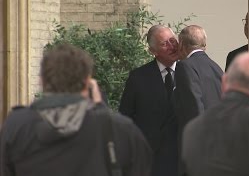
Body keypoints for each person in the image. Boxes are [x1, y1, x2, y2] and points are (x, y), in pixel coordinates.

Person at [0, 44, 152, 176]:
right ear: (88, 82)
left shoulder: (16, 125)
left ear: (42, 81)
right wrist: (101, 109)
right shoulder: (120, 129)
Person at [119, 25, 179, 176]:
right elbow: (125, 118)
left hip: (181, 159)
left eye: (173, 40)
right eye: (165, 44)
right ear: (153, 51)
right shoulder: (138, 77)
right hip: (150, 160)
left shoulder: (190, 73)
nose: (172, 46)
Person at [174, 24, 223, 175]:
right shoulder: (216, 67)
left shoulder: (185, 66)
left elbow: (195, 106)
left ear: (181, 44)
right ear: (204, 45)